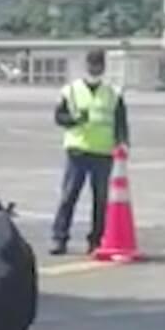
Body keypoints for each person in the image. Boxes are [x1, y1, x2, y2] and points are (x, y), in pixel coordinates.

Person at [50, 48, 129, 255]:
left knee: (100, 200)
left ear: (103, 67)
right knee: (68, 197)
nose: (96, 68)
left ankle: (96, 240)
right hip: (78, 151)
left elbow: (121, 122)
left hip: (103, 153)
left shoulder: (112, 93)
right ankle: (60, 238)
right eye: (93, 64)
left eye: (99, 64)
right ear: (87, 66)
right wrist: (75, 120)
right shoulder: (71, 91)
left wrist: (123, 142)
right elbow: (59, 117)